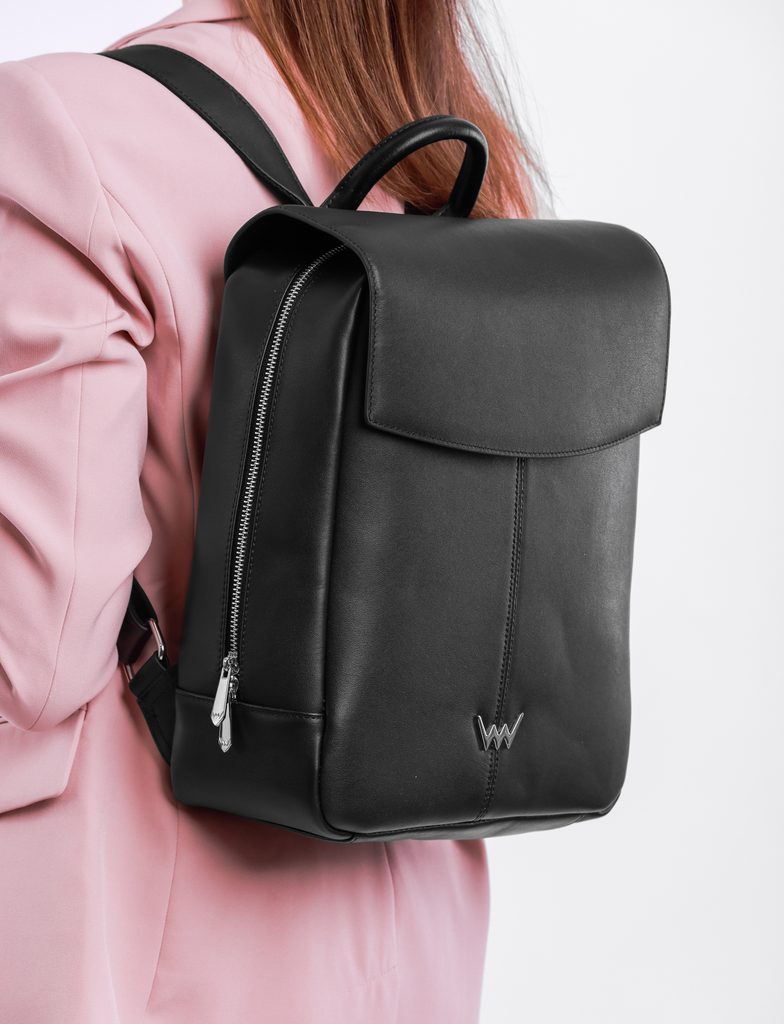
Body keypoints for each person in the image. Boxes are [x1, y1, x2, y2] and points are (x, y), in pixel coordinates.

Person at [0, 1, 543, 1020]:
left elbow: (29, 666)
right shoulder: (463, 172)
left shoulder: (62, 130)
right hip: (416, 957)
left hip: (145, 957)